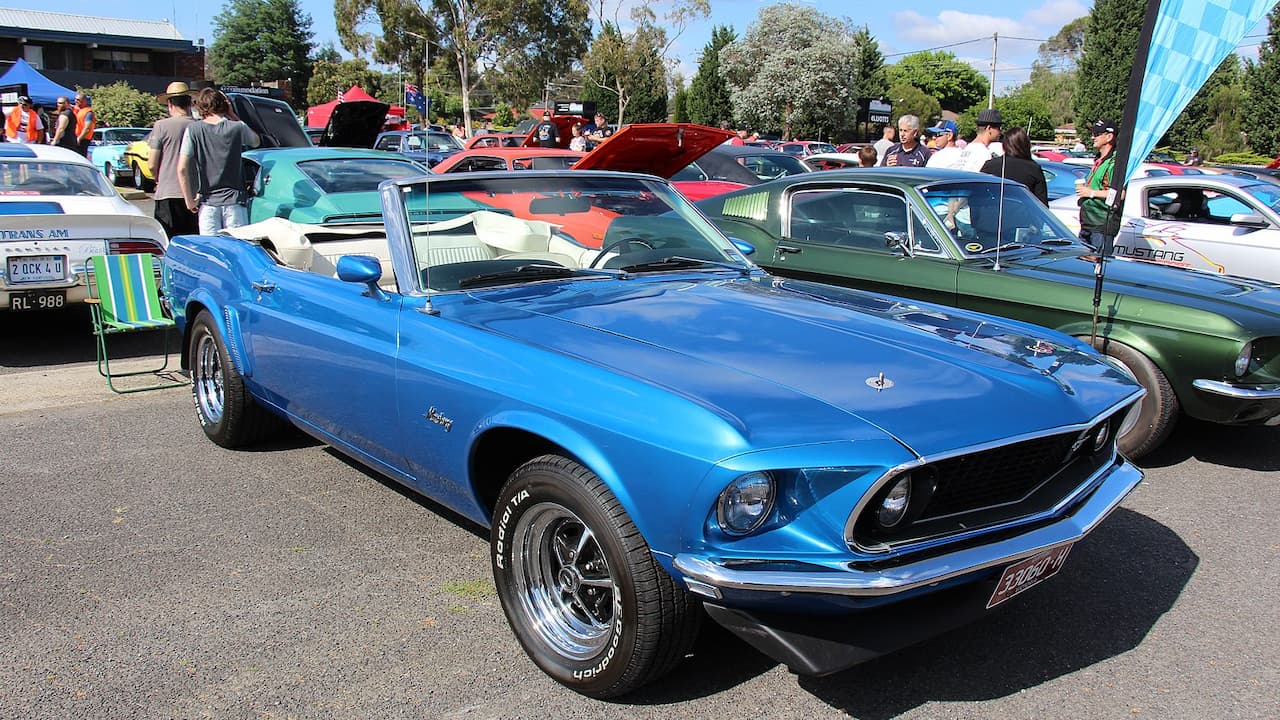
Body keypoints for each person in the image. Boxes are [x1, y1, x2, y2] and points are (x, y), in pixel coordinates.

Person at [177, 88, 260, 235]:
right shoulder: (236, 127)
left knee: (211, 251)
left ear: (201, 106)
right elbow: (255, 141)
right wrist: (233, 115)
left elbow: (182, 169)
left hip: (208, 202)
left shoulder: (193, 130)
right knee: (236, 250)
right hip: (235, 201)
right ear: (224, 105)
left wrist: (189, 200)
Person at [148, 81, 197, 238]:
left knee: (169, 242)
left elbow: (151, 164)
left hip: (168, 192)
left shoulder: (161, 126)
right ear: (190, 102)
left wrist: (156, 178)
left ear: (170, 104)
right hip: (195, 193)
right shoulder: (200, 126)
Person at [1076, 118, 1118, 250]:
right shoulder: (1099, 160)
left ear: (1109, 137)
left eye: (1097, 134)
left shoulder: (1114, 162)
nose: (1093, 137)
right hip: (1087, 223)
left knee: (1099, 266)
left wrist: (1091, 193)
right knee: (1083, 266)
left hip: (1101, 225)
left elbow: (1119, 194)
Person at [980, 127, 1048, 205]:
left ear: (1004, 145)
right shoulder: (1034, 169)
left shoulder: (990, 165)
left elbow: (977, 197)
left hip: (993, 214)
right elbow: (1042, 205)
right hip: (1023, 215)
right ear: (1026, 145)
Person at [956, 108, 1003, 172]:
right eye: (999, 128)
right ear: (989, 128)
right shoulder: (984, 154)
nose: (1000, 132)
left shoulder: (966, 149)